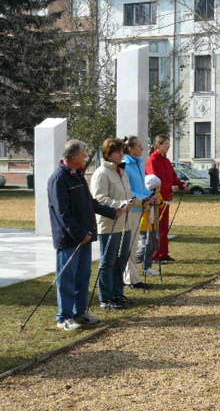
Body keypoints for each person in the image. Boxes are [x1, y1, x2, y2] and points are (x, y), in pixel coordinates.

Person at [48, 140, 124, 330]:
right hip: (69, 239)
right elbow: (62, 213)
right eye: (83, 154)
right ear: (73, 156)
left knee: (83, 276)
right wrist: (79, 233)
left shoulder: (79, 175)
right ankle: (64, 317)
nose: (86, 156)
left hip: (85, 237)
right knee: (67, 278)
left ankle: (80, 313)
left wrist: (113, 212)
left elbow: (90, 203)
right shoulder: (59, 178)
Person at [91, 138, 140, 310]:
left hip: (126, 223)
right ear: (108, 154)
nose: (121, 154)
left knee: (122, 259)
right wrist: (120, 204)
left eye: (122, 151)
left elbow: (129, 194)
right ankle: (106, 298)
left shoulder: (122, 172)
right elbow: (99, 199)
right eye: (117, 152)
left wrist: (142, 200)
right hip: (109, 224)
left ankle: (118, 293)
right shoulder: (101, 173)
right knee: (108, 261)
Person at [145, 135, 188, 263]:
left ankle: (163, 253)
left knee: (164, 227)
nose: (168, 146)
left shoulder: (166, 160)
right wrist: (169, 188)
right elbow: (153, 180)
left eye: (169, 144)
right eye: (166, 144)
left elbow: (173, 176)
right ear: (158, 145)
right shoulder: (153, 160)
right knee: (156, 227)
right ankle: (155, 255)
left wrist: (182, 184)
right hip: (157, 198)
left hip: (166, 198)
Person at [122, 136, 156, 289]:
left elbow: (142, 187)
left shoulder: (139, 164)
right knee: (130, 245)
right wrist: (144, 198)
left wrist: (150, 195)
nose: (142, 149)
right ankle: (130, 279)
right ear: (130, 148)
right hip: (131, 209)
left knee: (134, 244)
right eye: (139, 146)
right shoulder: (126, 165)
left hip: (140, 207)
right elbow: (128, 190)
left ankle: (133, 277)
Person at [138, 174, 164, 277]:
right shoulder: (143, 194)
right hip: (144, 225)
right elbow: (141, 207)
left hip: (154, 224)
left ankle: (147, 267)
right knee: (145, 246)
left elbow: (161, 204)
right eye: (156, 188)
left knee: (152, 246)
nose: (158, 190)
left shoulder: (158, 194)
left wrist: (158, 202)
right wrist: (149, 203)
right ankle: (135, 261)